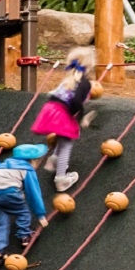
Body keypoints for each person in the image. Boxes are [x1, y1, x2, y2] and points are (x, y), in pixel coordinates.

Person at [31, 47, 96, 192]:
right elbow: (76, 101)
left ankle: (54, 160)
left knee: (62, 138)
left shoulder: (69, 79)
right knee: (66, 144)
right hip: (61, 112)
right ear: (90, 65)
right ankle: (60, 179)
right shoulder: (85, 83)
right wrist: (81, 117)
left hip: (51, 108)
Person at [0, 142, 49, 269]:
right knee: (23, 212)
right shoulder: (27, 169)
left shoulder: (3, 166)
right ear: (32, 160)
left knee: (0, 224)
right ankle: (25, 235)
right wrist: (40, 214)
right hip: (9, 193)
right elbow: (33, 193)